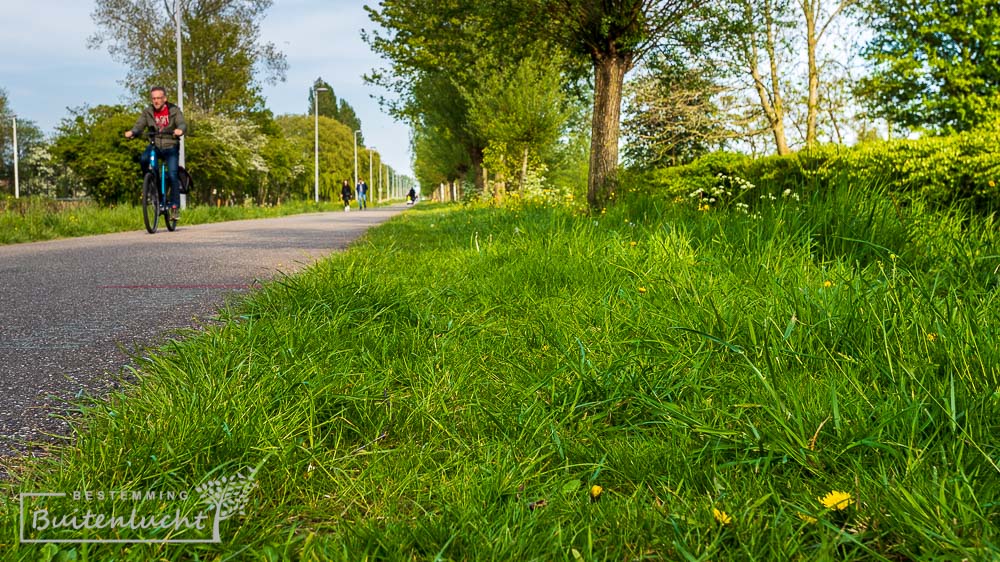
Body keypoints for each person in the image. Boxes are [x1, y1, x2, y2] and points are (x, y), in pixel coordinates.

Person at [124, 86, 187, 220]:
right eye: (154, 98)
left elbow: (182, 124)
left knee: (172, 174)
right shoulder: (148, 112)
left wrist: (179, 130)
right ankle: (152, 184)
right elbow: (139, 125)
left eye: (159, 98)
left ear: (165, 99)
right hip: (155, 145)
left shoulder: (174, 110)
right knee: (144, 159)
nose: (156, 101)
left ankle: (175, 207)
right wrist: (133, 132)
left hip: (171, 145)